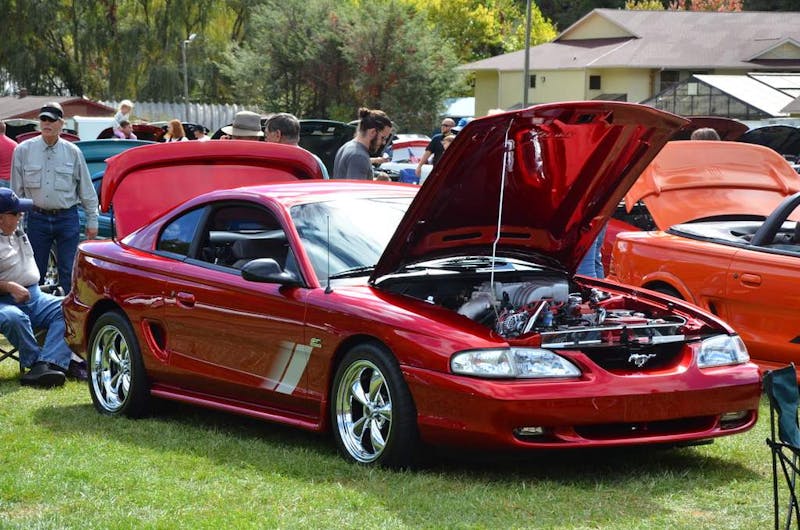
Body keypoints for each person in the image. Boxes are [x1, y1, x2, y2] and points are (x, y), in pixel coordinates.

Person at [10, 102, 99, 294]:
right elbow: (16, 193)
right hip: (37, 218)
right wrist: (14, 224)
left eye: (51, 120)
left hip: (67, 218)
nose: (47, 123)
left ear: (61, 123)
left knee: (69, 271)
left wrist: (92, 220)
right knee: (34, 272)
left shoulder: (73, 152)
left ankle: (67, 310)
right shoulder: (23, 150)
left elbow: (86, 189)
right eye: (43, 119)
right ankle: (35, 310)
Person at [0, 188, 74, 387]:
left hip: (34, 295)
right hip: (4, 302)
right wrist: (9, 286)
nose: (20, 216)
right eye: (15, 213)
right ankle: (36, 365)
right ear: (0, 218)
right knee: (13, 317)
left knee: (68, 307)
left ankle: (49, 363)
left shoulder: (16, 231)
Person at [332, 107, 393, 179]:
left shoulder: (346, 147)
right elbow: (356, 186)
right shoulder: (359, 156)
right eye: (383, 138)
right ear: (372, 132)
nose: (384, 143)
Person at [265, 113, 329, 178]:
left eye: (266, 135)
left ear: (277, 135)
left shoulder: (270, 164)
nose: (266, 141)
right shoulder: (315, 162)